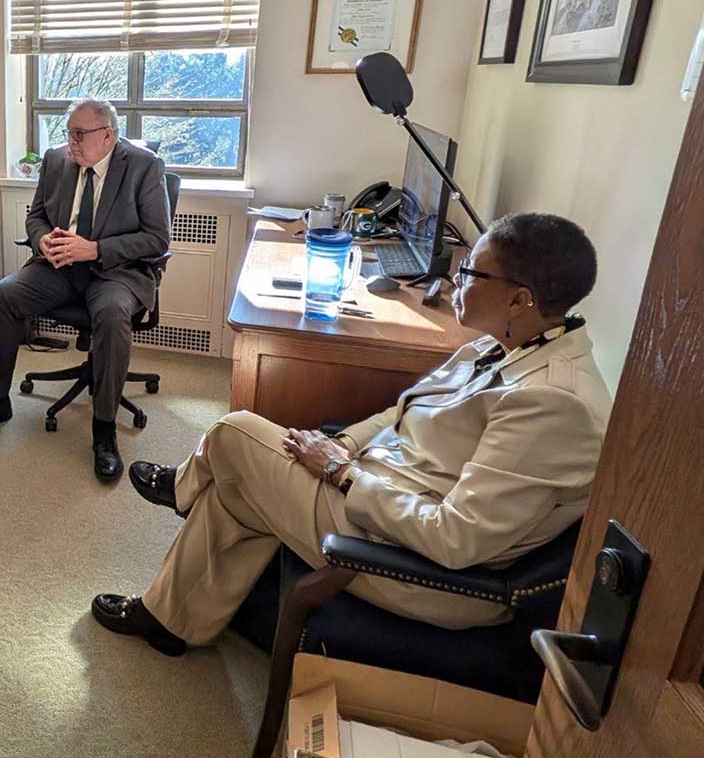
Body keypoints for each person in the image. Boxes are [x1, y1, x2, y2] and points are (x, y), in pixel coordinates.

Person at [91, 213, 611, 655]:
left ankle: (183, 488)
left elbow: (455, 540)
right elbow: (403, 414)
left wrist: (340, 473)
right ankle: (170, 621)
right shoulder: (502, 344)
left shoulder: (554, 403)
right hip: (380, 493)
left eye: (472, 271)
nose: (455, 279)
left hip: (416, 566)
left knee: (234, 433)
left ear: (519, 300)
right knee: (236, 488)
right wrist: (344, 446)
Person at [0, 99, 171, 481]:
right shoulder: (56, 160)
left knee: (112, 314)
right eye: (69, 133)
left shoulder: (144, 166)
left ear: (108, 136)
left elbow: (157, 238)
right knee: (2, 295)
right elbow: (36, 216)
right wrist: (42, 241)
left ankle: (104, 428)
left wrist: (95, 249)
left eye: (79, 135)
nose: (71, 143)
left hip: (116, 272)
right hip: (60, 267)